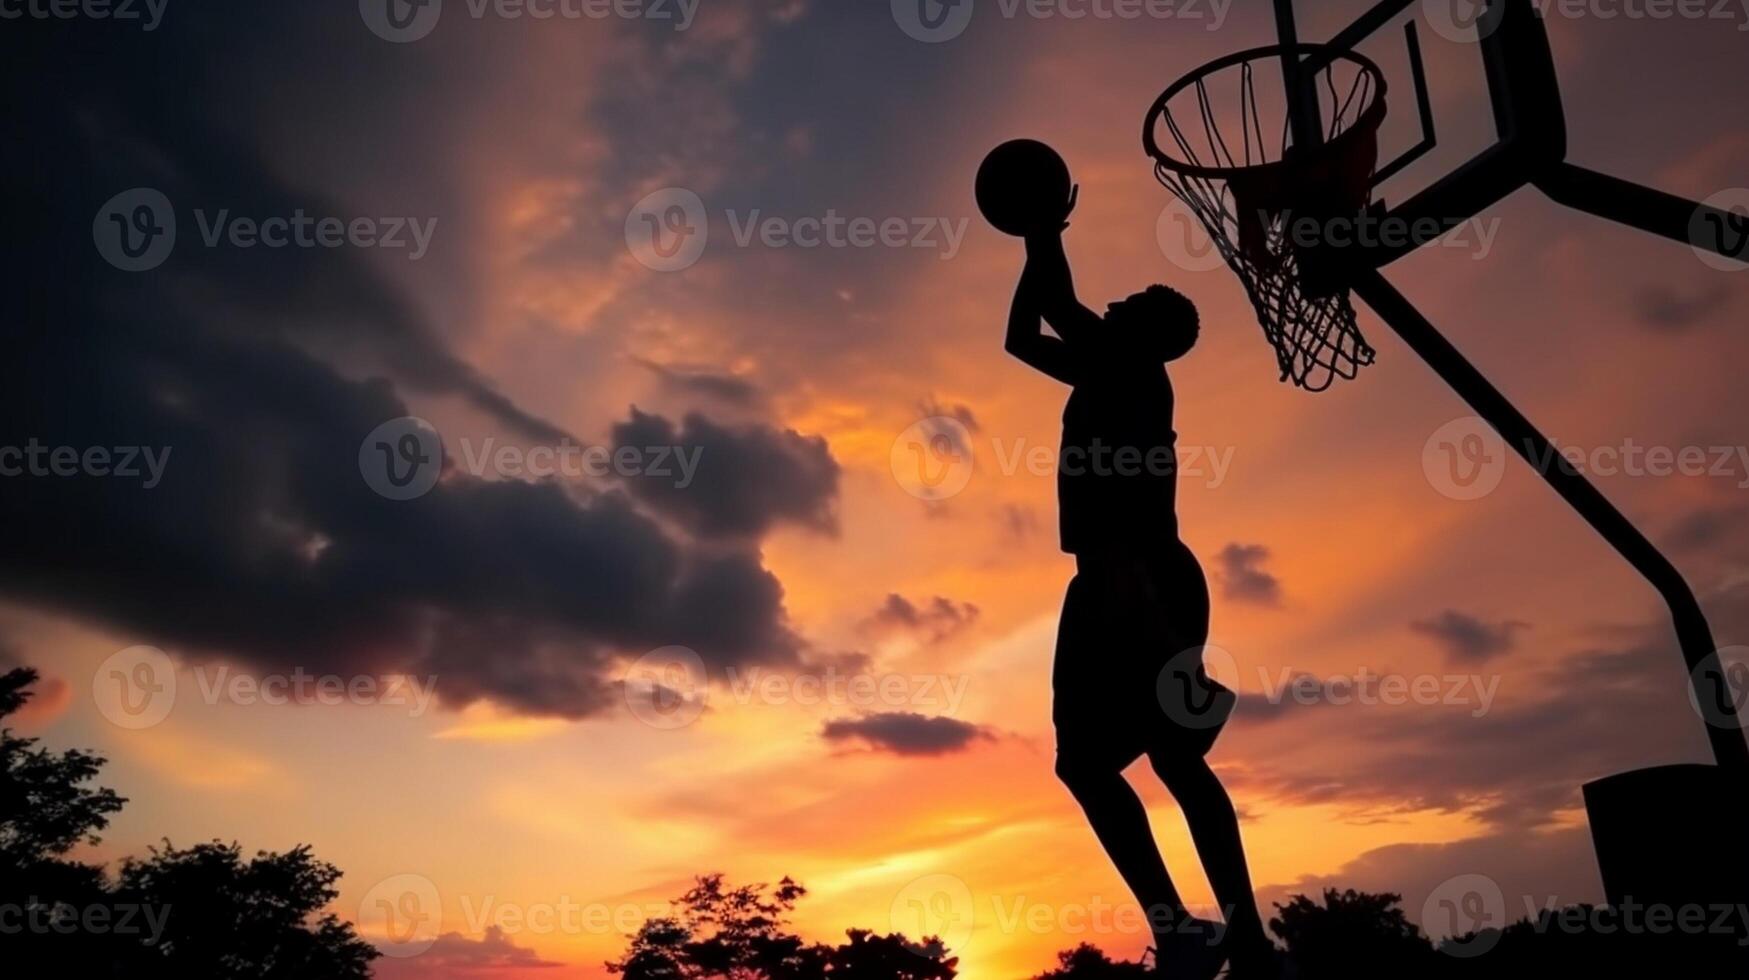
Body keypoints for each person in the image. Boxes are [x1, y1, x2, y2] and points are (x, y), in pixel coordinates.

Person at [1004, 186, 1273, 979]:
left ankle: (1228, 935)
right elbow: (1022, 336)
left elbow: (1054, 301)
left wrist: (1043, 229)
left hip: (1137, 574)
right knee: (1132, 763)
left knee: (1154, 762)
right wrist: (1034, 238)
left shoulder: (1130, 367)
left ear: (1145, 331)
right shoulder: (1109, 376)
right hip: (1119, 576)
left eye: (1129, 303)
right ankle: (1210, 933)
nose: (1112, 303)